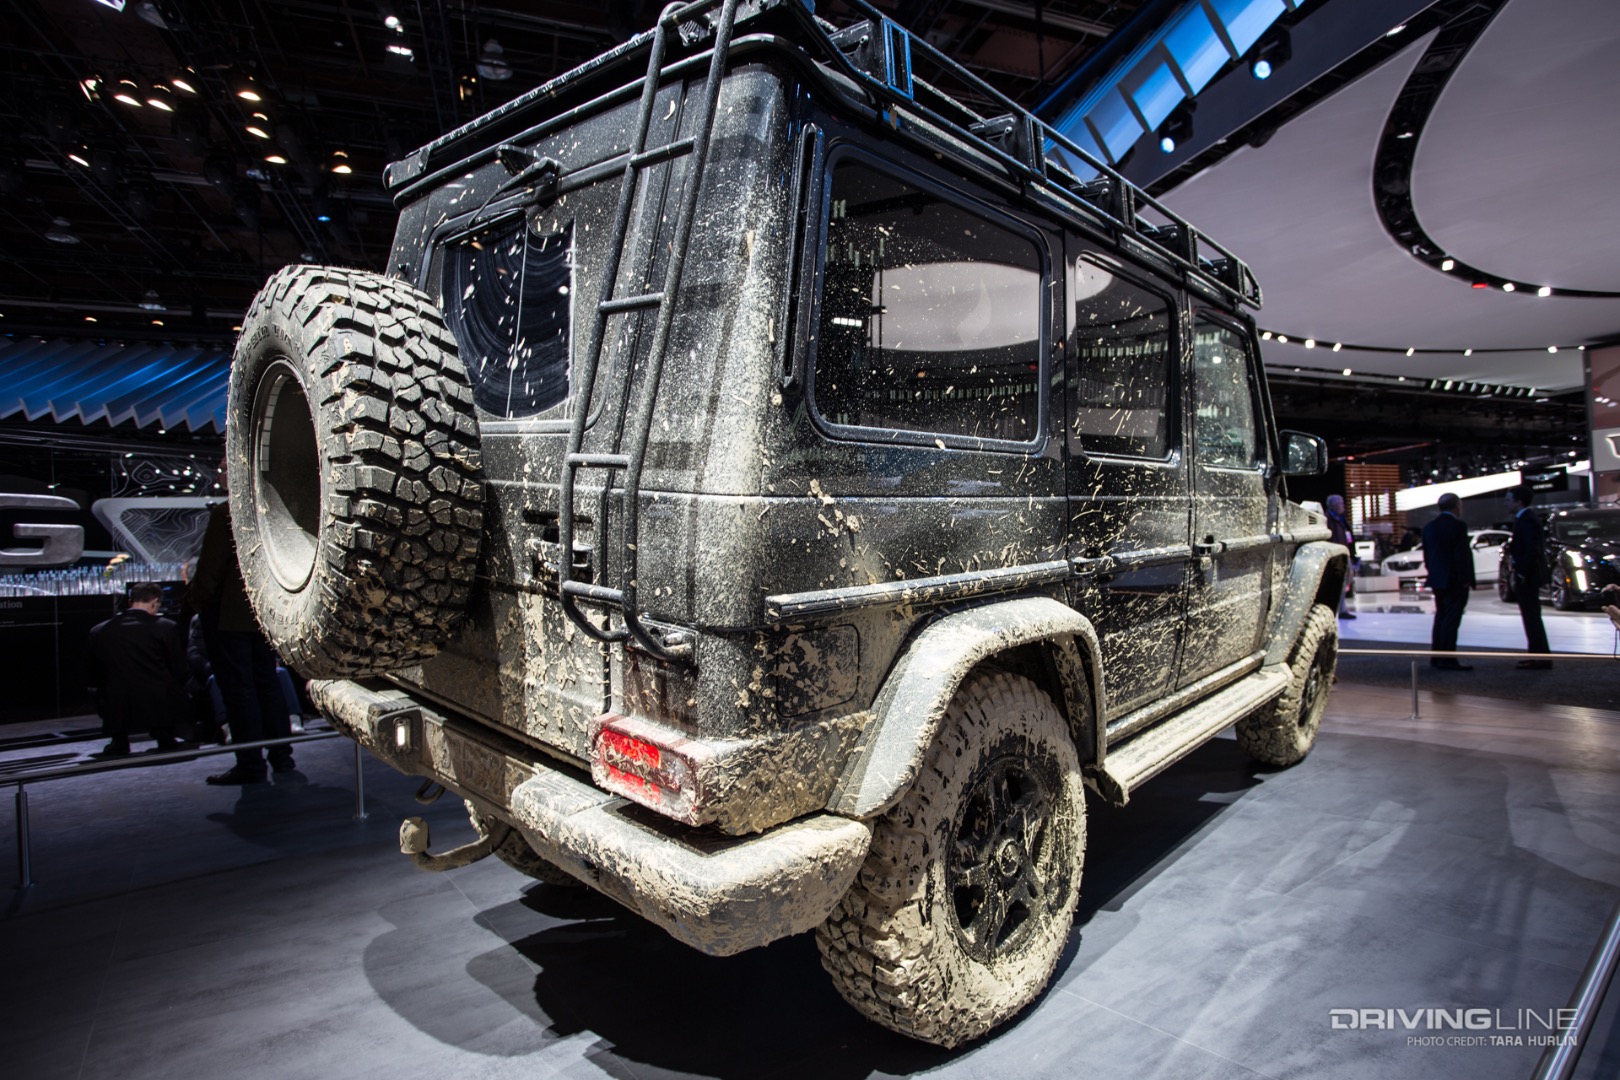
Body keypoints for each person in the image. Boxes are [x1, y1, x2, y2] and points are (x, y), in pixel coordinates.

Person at [188, 494, 295, 783]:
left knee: (239, 690)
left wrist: (194, 602)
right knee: (267, 683)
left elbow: (210, 569)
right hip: (265, 610)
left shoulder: (228, 511)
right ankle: (282, 758)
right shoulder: (272, 505)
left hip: (228, 614)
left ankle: (250, 764)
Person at [86, 582, 188, 756]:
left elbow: (93, 673)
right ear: (155, 601)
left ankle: (119, 741)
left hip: (117, 699)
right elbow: (178, 669)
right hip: (157, 697)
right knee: (167, 684)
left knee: (111, 688)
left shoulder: (100, 631)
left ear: (130, 601)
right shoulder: (166, 627)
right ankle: (165, 737)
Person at [1421, 493, 1474, 670]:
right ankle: (1448, 659)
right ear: (1456, 506)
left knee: (1441, 618)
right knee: (1451, 620)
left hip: (1437, 580)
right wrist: (1465, 579)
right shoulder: (1458, 526)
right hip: (1455, 580)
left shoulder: (1429, 527)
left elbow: (1427, 557)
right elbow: (1461, 556)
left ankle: (1437, 657)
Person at [1506, 485, 1552, 669]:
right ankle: (1536, 655)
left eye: (1508, 500)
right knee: (1530, 616)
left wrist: (1522, 572)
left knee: (1532, 616)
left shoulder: (1527, 520)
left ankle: (1541, 657)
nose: (1505, 504)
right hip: (1527, 575)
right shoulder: (1524, 519)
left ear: (1519, 502)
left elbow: (1531, 550)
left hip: (1528, 577)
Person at [1324, 494, 1358, 618]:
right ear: (1333, 505)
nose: (1343, 506)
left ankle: (1342, 609)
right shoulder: (1328, 519)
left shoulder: (1341, 519)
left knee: (1346, 581)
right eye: (1340, 503)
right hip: (1337, 555)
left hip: (1345, 554)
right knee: (1340, 583)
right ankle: (1341, 610)